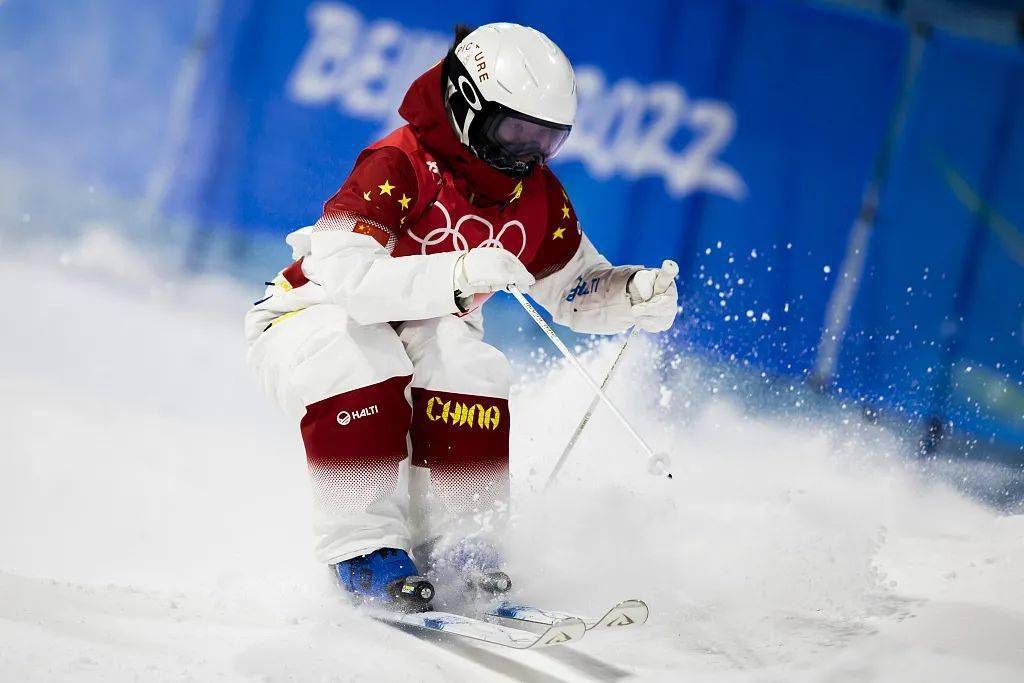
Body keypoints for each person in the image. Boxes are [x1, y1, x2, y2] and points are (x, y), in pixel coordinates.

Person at [244, 22, 679, 610]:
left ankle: (463, 545)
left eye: (547, 140)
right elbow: (348, 281)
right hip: (307, 317)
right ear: (467, 105)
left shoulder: (537, 197)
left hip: (425, 330)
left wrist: (630, 293)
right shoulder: (399, 163)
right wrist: (458, 274)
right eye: (516, 131)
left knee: (467, 365)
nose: (529, 155)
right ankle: (364, 552)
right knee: (358, 358)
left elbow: (573, 284)